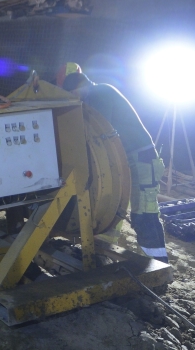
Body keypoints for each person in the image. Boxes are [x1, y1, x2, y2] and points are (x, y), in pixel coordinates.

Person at [62, 72, 168, 264]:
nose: (75, 98)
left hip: (141, 158)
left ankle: (159, 264)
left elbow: (97, 131)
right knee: (111, 207)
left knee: (144, 212)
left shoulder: (99, 92)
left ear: (80, 86)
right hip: (123, 158)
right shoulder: (94, 94)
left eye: (74, 94)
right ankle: (102, 254)